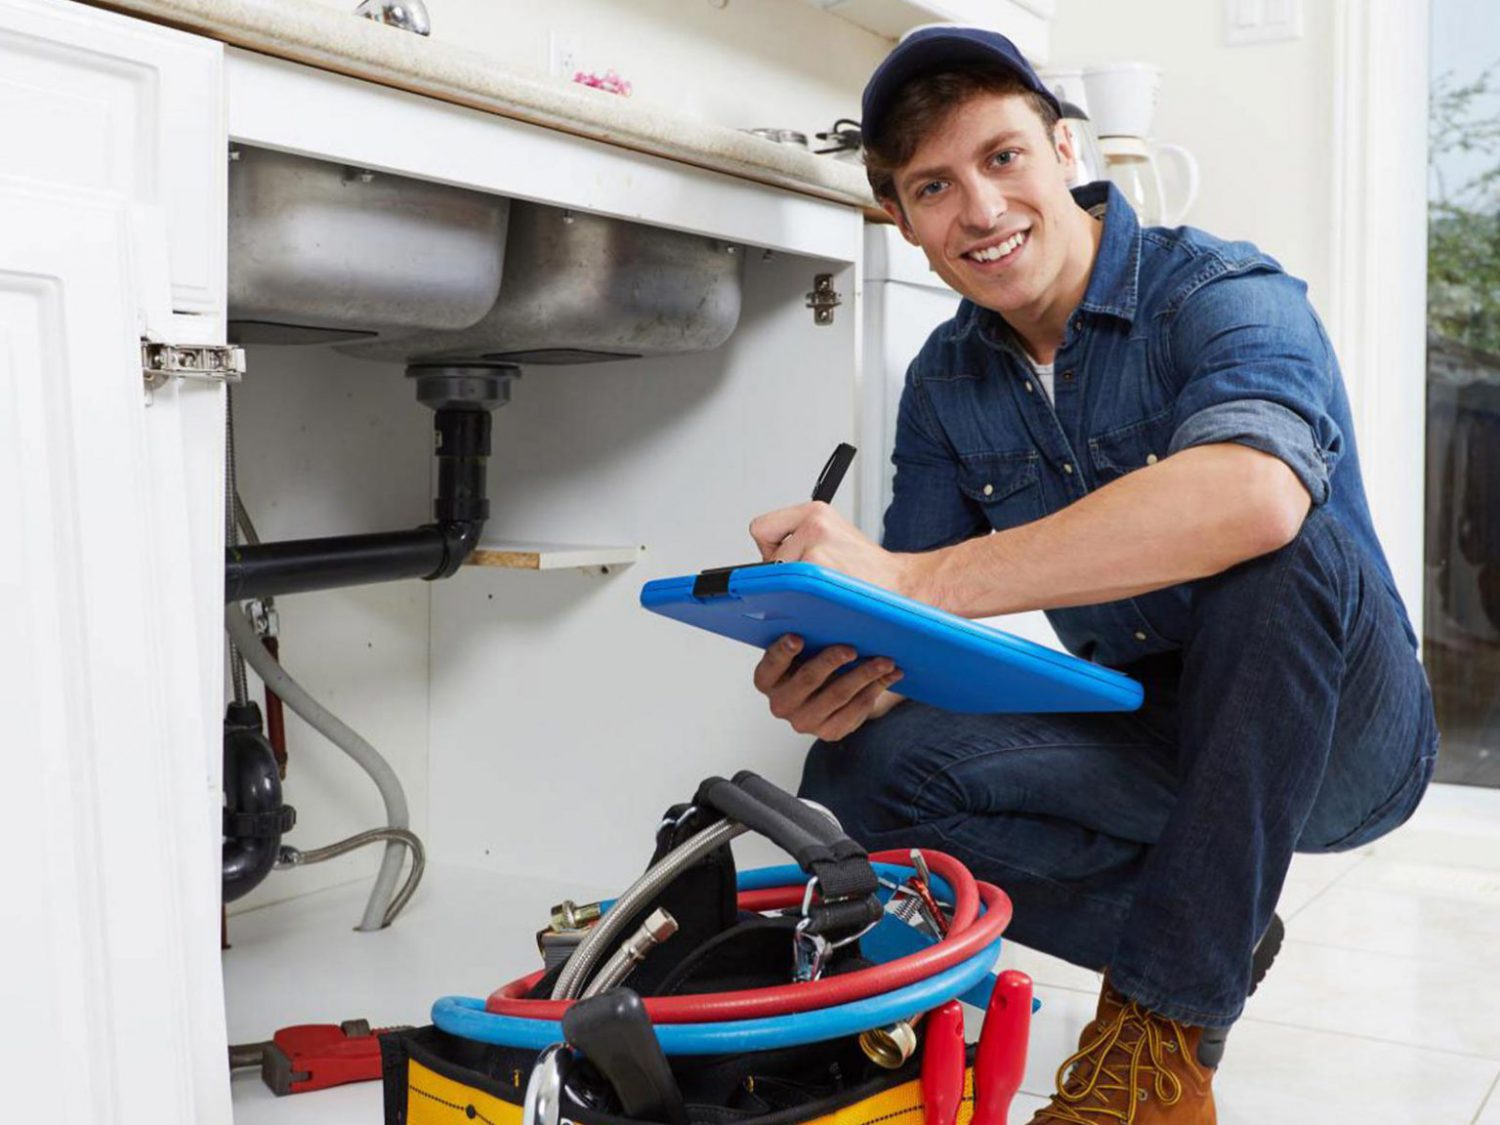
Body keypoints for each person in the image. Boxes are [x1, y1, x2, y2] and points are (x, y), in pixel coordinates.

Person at [746, 28, 1439, 1123]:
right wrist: (844, 665)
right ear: (901, 220)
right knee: (860, 775)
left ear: (1065, 150)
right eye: (935, 185)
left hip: (1348, 740)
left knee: (1274, 531)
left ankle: (1157, 1048)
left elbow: (1255, 496)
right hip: (1158, 732)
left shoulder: (1223, 290)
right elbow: (911, 620)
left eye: (1003, 157)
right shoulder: (948, 378)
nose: (979, 208)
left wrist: (910, 584)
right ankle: (1209, 924)